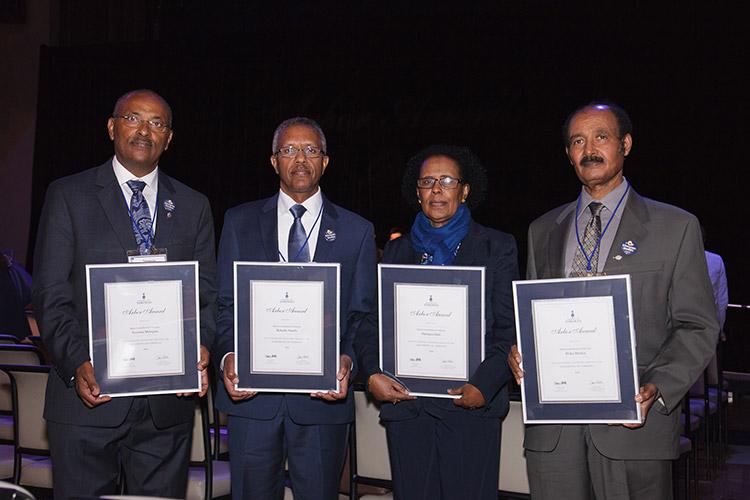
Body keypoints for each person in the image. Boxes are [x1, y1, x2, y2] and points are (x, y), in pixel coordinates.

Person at [508, 101, 719, 499]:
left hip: (634, 429)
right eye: (577, 140)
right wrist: (521, 354)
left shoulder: (675, 227)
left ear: (625, 144)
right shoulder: (542, 230)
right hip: (553, 435)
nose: (589, 148)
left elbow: (697, 325)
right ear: (568, 155)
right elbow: (534, 318)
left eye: (601, 137)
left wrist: (658, 386)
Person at [32, 89, 216, 498]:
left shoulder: (193, 205)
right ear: (112, 127)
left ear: (169, 139)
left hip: (165, 409)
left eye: (157, 123)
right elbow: (50, 293)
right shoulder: (68, 195)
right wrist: (77, 360)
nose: (144, 131)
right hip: (87, 399)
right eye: (133, 119)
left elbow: (205, 295)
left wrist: (200, 346)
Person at [214, 116, 377, 500]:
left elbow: (363, 316)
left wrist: (349, 361)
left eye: (310, 150)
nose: (300, 158)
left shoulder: (357, 231)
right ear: (274, 161)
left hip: (322, 405)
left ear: (325, 161)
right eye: (289, 150)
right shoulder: (238, 222)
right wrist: (227, 357)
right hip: (252, 402)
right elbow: (225, 305)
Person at [361, 145, 519, 500]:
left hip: (471, 409)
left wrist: (485, 383)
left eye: (446, 180)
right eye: (427, 181)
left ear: (464, 190)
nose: (436, 189)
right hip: (408, 409)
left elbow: (508, 327)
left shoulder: (497, 246)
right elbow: (372, 322)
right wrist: (372, 373)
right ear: (416, 192)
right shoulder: (397, 252)